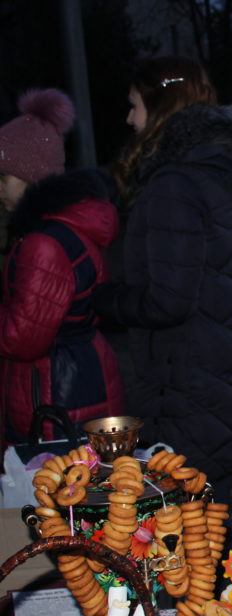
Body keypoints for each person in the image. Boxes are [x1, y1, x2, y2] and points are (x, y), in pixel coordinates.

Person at [93, 57, 232, 492]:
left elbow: (167, 299)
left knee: (187, 526)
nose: (129, 118)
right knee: (203, 519)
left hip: (186, 384)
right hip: (208, 377)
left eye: (135, 105)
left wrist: (101, 298)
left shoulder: (174, 185)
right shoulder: (203, 176)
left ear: (161, 104)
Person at [0, 89, 124, 447]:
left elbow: (22, 338)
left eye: (4, 178)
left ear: (30, 176)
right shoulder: (56, 230)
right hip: (70, 383)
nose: (0, 189)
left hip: (57, 393)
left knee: (61, 495)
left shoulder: (44, 242)